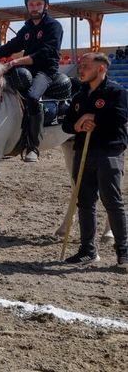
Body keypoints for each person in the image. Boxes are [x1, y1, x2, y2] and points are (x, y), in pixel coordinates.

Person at [61, 52, 128, 269]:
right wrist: (78, 125)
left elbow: (120, 117)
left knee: (112, 201)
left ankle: (123, 251)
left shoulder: (116, 92)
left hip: (109, 152)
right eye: (80, 65)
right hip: (83, 152)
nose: (81, 69)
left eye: (86, 66)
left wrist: (94, 118)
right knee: (85, 203)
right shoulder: (79, 96)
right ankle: (87, 250)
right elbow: (67, 124)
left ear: (101, 69)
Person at [0, 0, 63, 162]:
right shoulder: (27, 28)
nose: (34, 7)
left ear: (46, 5)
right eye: (31, 4)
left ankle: (33, 147)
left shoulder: (53, 26)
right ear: (27, 6)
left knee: (32, 97)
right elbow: (12, 46)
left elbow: (46, 53)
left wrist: (16, 62)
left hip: (46, 71)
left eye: (38, 3)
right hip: (27, 70)